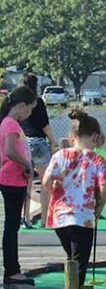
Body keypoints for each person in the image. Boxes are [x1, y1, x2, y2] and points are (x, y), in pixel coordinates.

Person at [43, 110, 106, 287]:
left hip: (59, 218)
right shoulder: (97, 160)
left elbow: (46, 181)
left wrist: (54, 188)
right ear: (95, 137)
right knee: (79, 265)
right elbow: (104, 188)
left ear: (72, 136)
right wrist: (99, 208)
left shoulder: (60, 155)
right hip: (82, 219)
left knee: (72, 259)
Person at [0, 87, 38, 285]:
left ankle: (12, 269)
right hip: (13, 180)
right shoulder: (12, 125)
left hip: (11, 179)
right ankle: (12, 271)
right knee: (12, 227)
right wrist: (25, 164)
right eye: (29, 109)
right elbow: (8, 151)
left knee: (11, 226)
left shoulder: (6, 122)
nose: (29, 114)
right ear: (22, 105)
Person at [19, 74, 56, 228]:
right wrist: (52, 141)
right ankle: (45, 220)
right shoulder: (38, 102)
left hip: (24, 143)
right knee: (45, 183)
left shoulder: (19, 103)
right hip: (39, 143)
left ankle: (26, 217)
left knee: (26, 184)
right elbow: (44, 125)